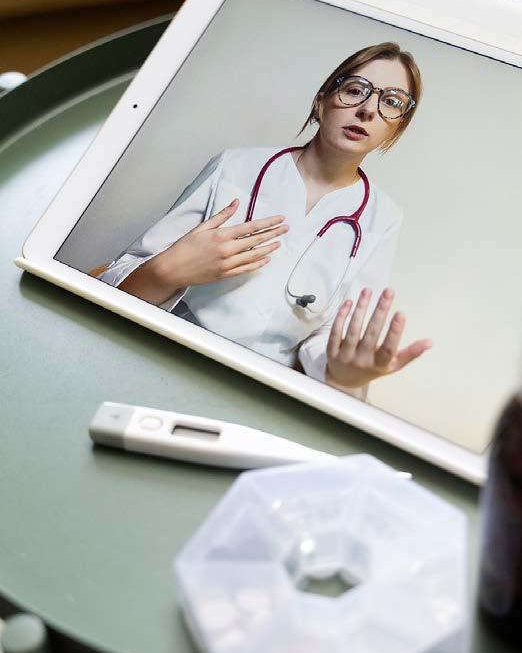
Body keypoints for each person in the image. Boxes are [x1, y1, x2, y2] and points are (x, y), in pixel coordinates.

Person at [98, 42, 432, 399]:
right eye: (355, 90)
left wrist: (342, 373)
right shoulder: (234, 167)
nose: (367, 110)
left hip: (266, 390)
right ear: (321, 101)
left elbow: (333, 338)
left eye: (391, 102)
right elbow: (115, 279)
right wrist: (166, 271)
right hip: (170, 353)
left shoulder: (383, 218)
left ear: (396, 129)